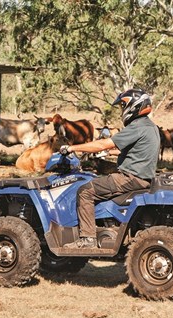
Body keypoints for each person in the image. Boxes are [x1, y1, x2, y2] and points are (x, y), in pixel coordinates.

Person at [60, 89, 160, 249]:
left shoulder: (137, 126)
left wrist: (73, 148)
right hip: (143, 179)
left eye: (123, 105)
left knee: (84, 191)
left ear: (133, 106)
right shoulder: (150, 126)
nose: (122, 109)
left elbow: (102, 143)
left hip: (130, 178)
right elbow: (134, 150)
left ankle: (87, 239)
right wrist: (107, 152)